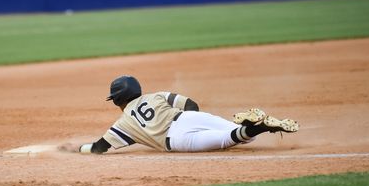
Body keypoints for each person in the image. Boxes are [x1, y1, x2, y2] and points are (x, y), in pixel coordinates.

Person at [59, 75, 299, 154]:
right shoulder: (156, 95)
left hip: (177, 140)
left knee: (231, 139)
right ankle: (259, 124)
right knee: (235, 132)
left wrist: (76, 148)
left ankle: (259, 126)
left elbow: (100, 148)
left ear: (119, 100)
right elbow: (191, 104)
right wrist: (194, 122)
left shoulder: (124, 122)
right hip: (187, 118)